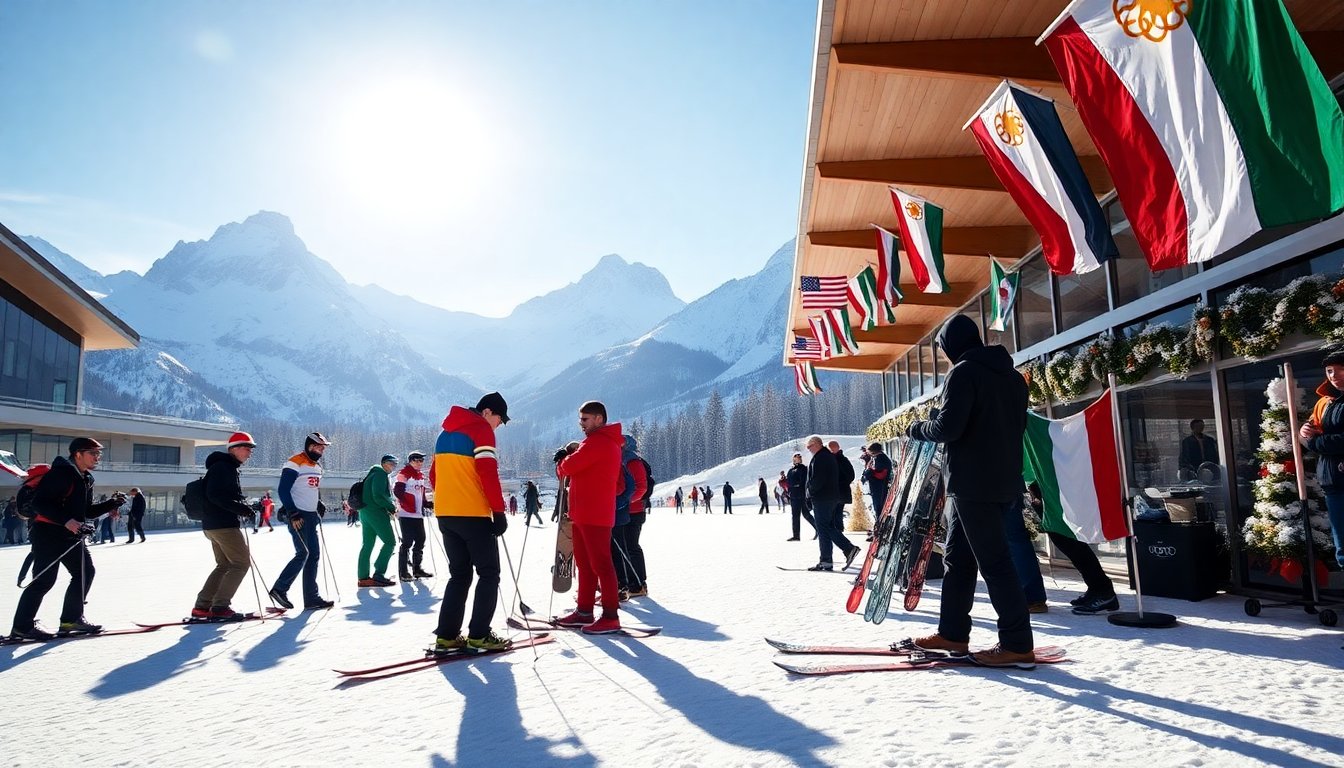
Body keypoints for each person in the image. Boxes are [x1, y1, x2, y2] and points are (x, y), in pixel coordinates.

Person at [904, 314, 1035, 668]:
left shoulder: (963, 373)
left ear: (951, 346)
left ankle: (1018, 643)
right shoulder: (1012, 378)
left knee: (995, 563)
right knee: (958, 560)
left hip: (972, 483)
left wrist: (917, 428)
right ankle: (953, 633)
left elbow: (949, 427)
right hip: (1000, 481)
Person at [9, 437, 124, 640]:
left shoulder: (85, 478)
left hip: (70, 536)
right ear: (78, 454)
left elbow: (86, 510)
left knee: (85, 572)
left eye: (99, 453)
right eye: (93, 453)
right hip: (48, 534)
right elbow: (40, 504)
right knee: (44, 580)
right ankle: (22, 627)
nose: (97, 457)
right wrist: (67, 521)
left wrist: (111, 504)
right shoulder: (61, 474)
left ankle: (71, 620)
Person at [431, 392, 511, 652]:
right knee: (489, 573)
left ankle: (447, 636)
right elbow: (488, 473)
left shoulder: (444, 434)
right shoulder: (481, 430)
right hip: (473, 514)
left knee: (460, 575)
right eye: (500, 419)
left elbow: (434, 475)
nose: (498, 425)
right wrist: (498, 512)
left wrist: (450, 497)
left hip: (446, 513)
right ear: (488, 412)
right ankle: (479, 635)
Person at [555, 400, 624, 634]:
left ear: (599, 419)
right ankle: (584, 611)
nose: (581, 424)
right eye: (580, 419)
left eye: (585, 419)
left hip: (594, 514)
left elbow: (568, 468)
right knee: (585, 565)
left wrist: (563, 459)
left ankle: (610, 615)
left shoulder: (598, 442)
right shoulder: (601, 443)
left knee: (601, 565)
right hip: (585, 512)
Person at [191, 432, 259, 621]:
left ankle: (202, 606)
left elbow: (220, 494)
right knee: (241, 564)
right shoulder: (223, 468)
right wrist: (240, 509)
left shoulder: (222, 467)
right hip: (223, 525)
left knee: (224, 565)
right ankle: (220, 607)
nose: (249, 452)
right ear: (234, 448)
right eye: (247, 448)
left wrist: (240, 505)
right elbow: (216, 495)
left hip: (212, 525)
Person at [1025, 481, 1117, 613]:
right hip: (1039, 481)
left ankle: (1102, 588)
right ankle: (1097, 587)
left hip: (1047, 481)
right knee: (1062, 537)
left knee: (1065, 537)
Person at [269, 432, 335, 611]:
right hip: (298, 515)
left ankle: (311, 598)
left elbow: (309, 488)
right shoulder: (295, 462)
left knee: (313, 555)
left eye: (323, 448)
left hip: (311, 515)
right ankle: (280, 588)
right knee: (303, 553)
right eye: (319, 447)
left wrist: (318, 503)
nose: (321, 451)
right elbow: (283, 490)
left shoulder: (316, 466)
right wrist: (292, 512)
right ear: (310, 446)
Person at [1301, 346, 1344, 570]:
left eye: (1339, 369)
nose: (1334, 375)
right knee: (1342, 546)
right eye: (1329, 371)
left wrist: (1317, 442)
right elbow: (1308, 433)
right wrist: (1305, 433)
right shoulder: (1323, 402)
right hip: (1332, 481)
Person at [805, 436, 859, 571]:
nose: (808, 449)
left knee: (824, 527)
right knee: (826, 527)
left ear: (817, 444)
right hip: (828, 497)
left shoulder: (822, 457)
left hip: (823, 498)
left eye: (809, 445)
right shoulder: (825, 456)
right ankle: (827, 559)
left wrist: (809, 491)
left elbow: (818, 479)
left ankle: (847, 549)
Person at [357, 454, 399, 587]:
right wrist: (391, 508)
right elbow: (378, 496)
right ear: (384, 463)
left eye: (395, 464)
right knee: (390, 542)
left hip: (365, 512)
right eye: (391, 463)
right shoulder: (381, 474)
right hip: (376, 513)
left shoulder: (372, 474)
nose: (393, 467)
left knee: (367, 544)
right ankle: (379, 573)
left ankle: (363, 577)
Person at [616, 435, 649, 598]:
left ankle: (638, 584)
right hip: (626, 511)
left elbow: (641, 488)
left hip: (633, 511)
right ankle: (630, 583)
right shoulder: (624, 460)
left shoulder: (632, 461)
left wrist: (624, 501)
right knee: (625, 548)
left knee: (631, 547)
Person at [394, 451, 433, 581]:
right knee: (407, 542)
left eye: (421, 460)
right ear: (410, 461)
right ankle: (403, 572)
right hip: (406, 513)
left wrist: (426, 503)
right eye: (416, 460)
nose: (419, 462)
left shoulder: (420, 476)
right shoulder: (403, 473)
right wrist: (406, 503)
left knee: (421, 540)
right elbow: (397, 491)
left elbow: (420, 494)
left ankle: (417, 569)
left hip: (418, 514)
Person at [785, 452, 815, 541]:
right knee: (795, 516)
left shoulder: (804, 469)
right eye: (796, 456)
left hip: (802, 496)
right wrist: (789, 492)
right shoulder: (790, 470)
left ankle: (819, 530)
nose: (798, 458)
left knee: (806, 514)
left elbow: (803, 482)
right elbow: (788, 483)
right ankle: (796, 535)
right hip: (793, 496)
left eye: (799, 457)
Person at [828, 441, 854, 535]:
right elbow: (851, 475)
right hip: (840, 490)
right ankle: (838, 529)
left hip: (838, 490)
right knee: (837, 511)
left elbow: (851, 475)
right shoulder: (842, 459)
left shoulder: (838, 460)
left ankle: (837, 530)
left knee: (836, 511)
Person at [863, 443, 893, 519]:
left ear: (873, 451)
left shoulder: (879, 459)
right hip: (880, 485)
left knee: (878, 505)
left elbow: (877, 472)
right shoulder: (882, 458)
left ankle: (879, 521)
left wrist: (868, 472)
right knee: (880, 504)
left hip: (878, 486)